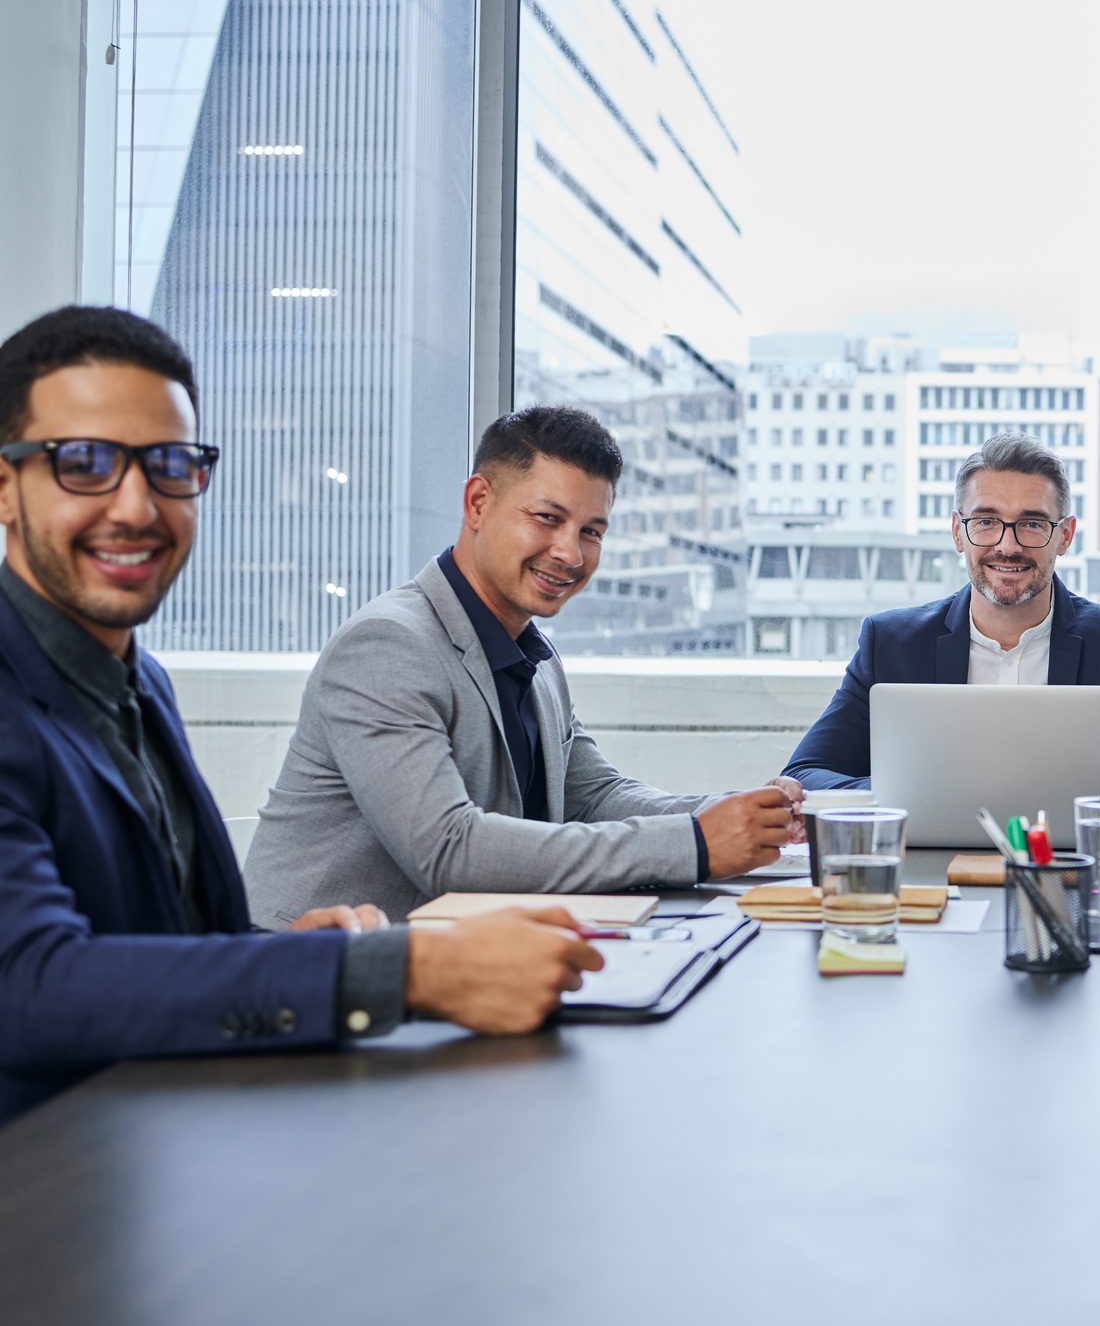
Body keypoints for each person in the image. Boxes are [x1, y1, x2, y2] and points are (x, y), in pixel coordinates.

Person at [0, 306, 606, 1123]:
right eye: (86, 464)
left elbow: (159, 952)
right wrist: (401, 971)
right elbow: (31, 986)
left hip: (159, 1134)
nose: (137, 507)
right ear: (7, 486)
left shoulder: (136, 683)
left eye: (170, 465)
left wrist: (283, 959)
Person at [245, 406, 798, 926]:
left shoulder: (533, 654)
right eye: (547, 518)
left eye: (591, 531)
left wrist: (736, 814)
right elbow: (448, 849)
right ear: (478, 503)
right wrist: (696, 844)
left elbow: (593, 797)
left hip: (450, 959)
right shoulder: (388, 645)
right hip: (310, 979)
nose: (571, 553)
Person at [782, 434, 1100, 825]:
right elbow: (803, 776)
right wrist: (903, 795)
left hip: (1064, 882)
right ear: (959, 532)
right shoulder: (891, 643)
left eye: (1032, 523)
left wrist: (1088, 802)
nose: (1007, 545)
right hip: (927, 883)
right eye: (986, 521)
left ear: (1065, 536)